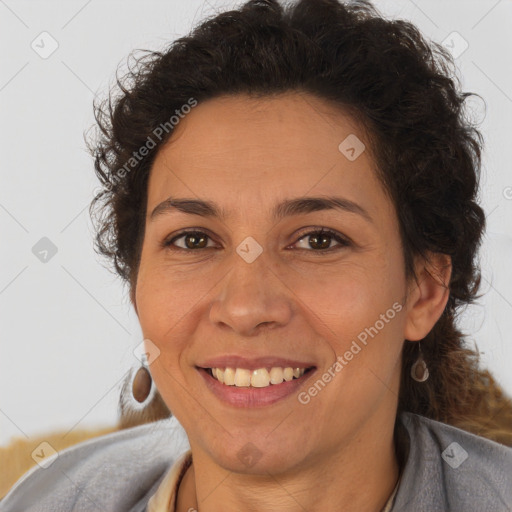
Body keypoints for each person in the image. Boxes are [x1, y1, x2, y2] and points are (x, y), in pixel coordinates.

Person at [1, 0, 511, 511]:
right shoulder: (49, 498)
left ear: (422, 290)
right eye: (193, 240)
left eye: (318, 240)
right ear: (137, 283)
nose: (245, 308)